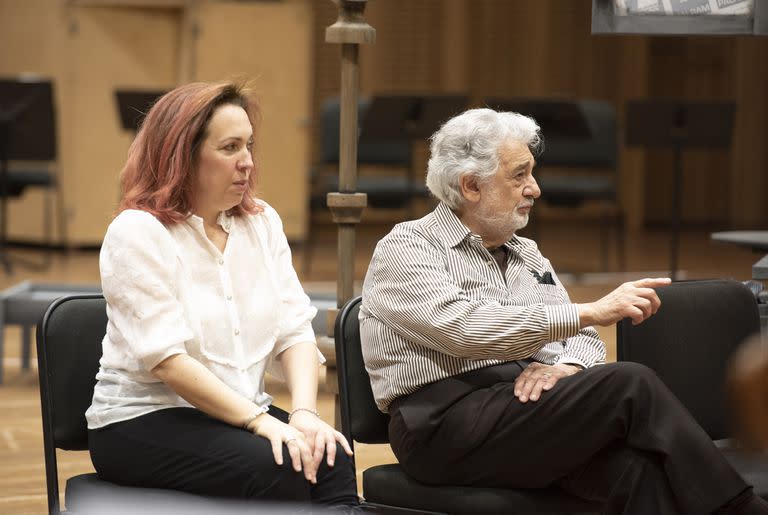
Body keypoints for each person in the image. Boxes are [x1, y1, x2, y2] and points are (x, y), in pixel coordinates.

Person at [359, 108, 768, 514]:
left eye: (531, 173)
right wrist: (591, 310)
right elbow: (462, 329)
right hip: (440, 425)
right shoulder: (407, 247)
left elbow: (582, 341)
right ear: (470, 186)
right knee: (630, 383)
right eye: (519, 175)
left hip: (520, 409)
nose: (534, 188)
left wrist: (568, 368)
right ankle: (742, 509)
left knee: (636, 470)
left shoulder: (527, 254)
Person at [85, 81, 358, 509]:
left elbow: (295, 334)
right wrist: (260, 423)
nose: (247, 163)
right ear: (182, 155)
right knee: (280, 464)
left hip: (236, 415)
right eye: (230, 148)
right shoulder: (137, 232)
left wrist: (304, 415)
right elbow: (170, 364)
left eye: (249, 146)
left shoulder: (261, 222)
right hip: (142, 421)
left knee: (332, 456)